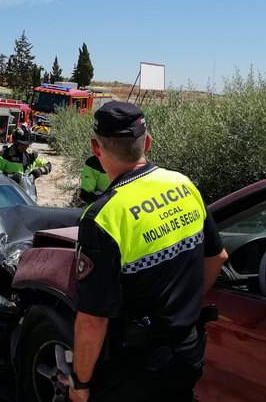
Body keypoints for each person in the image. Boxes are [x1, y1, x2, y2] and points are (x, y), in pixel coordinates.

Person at [64, 101, 228, 402]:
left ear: (96, 149)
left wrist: (80, 383)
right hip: (188, 351)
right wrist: (180, 310)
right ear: (147, 142)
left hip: (134, 370)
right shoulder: (184, 185)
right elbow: (218, 258)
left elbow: (92, 320)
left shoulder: (102, 217)